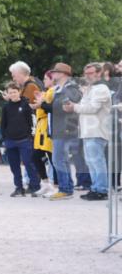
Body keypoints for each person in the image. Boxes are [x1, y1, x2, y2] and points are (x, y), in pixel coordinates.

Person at [64, 62, 113, 201]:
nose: (87, 76)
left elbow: (92, 108)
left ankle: (102, 190)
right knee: (91, 161)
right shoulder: (92, 88)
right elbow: (85, 107)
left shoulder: (102, 88)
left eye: (90, 73)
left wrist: (75, 107)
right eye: (86, 73)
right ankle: (96, 187)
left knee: (97, 161)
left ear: (99, 73)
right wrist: (75, 107)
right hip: (88, 130)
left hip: (97, 130)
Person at [42, 63, 90, 200]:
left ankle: (65, 188)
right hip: (60, 127)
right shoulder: (61, 88)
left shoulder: (71, 88)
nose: (53, 74)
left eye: (55, 72)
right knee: (61, 160)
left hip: (66, 128)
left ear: (63, 73)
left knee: (59, 159)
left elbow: (64, 105)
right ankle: (66, 187)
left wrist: (46, 104)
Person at [0, 82, 40, 197]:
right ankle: (19, 187)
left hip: (24, 140)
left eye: (14, 92)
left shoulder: (26, 105)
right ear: (7, 94)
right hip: (10, 140)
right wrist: (4, 139)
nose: (12, 94)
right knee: (14, 166)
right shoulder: (6, 107)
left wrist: (30, 136)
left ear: (19, 92)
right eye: (10, 92)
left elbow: (31, 121)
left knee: (29, 163)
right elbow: (3, 124)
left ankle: (35, 187)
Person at [32, 70, 56, 196]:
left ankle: (56, 186)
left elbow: (46, 107)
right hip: (41, 127)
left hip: (47, 126)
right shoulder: (47, 92)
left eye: (46, 78)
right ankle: (46, 183)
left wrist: (40, 102)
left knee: (52, 157)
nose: (44, 81)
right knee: (36, 156)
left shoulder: (52, 92)